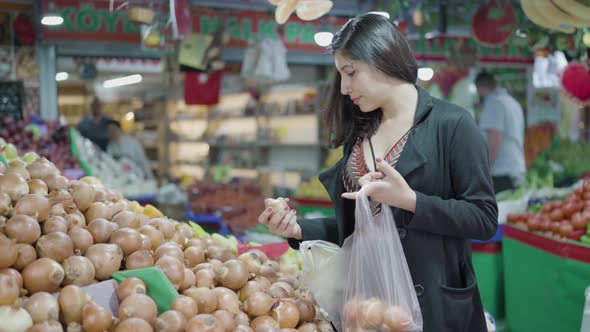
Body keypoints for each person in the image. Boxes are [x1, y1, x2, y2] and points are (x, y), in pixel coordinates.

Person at [257, 14, 498, 332]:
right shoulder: (360, 133)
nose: (344, 88)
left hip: (434, 308)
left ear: (382, 57)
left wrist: (411, 201)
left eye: (351, 72)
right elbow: (359, 228)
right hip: (370, 310)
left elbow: (483, 217)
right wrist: (297, 228)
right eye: (341, 75)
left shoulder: (452, 125)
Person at [475, 71, 526, 193]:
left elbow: (494, 137)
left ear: (480, 88)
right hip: (515, 169)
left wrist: (486, 170)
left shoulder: (493, 103)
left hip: (501, 172)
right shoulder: (512, 102)